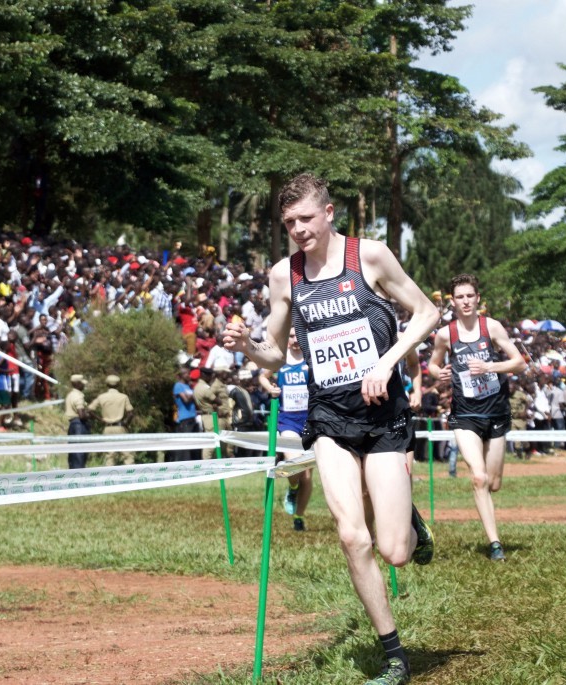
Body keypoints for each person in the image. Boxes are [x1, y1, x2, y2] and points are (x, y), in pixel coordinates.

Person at [223, 173, 438, 685]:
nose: (299, 230)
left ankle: (410, 522)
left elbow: (427, 313)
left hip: (383, 413)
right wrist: (247, 347)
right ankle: (394, 656)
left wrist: (386, 362)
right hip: (329, 417)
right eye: (289, 223)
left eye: (306, 218)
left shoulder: (370, 256)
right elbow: (276, 355)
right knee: (350, 535)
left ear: (329, 212)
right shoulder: (284, 275)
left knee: (395, 552)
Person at [427, 274, 527, 562]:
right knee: (479, 478)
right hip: (465, 414)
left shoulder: (491, 327)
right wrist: (439, 373)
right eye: (460, 297)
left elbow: (519, 363)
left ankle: (491, 521)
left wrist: (489, 367)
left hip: (495, 412)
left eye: (470, 296)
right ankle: (495, 544)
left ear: (478, 298)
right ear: (453, 301)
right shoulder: (446, 334)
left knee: (493, 483)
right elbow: (433, 365)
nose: (466, 301)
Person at [259, 327, 312, 531]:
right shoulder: (280, 359)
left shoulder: (310, 357)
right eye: (291, 336)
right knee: (294, 463)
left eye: (298, 335)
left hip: (310, 420)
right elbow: (263, 377)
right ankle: (293, 487)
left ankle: (299, 516)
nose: (295, 339)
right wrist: (270, 388)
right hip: (288, 420)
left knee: (308, 476)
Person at [89, 375, 134, 466]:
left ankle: (109, 473)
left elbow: (90, 410)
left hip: (107, 428)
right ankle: (130, 473)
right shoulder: (123, 397)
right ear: (118, 385)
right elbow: (131, 413)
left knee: (109, 455)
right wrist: (125, 423)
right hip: (120, 427)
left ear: (107, 384)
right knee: (127, 454)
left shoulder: (101, 397)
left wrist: (100, 419)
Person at [170, 366, 199, 462]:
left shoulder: (188, 387)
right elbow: (186, 400)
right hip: (184, 418)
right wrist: (194, 393)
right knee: (186, 444)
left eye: (189, 373)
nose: (189, 375)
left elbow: (194, 400)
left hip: (192, 417)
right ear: (181, 375)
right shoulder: (178, 386)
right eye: (186, 373)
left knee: (194, 444)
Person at [65, 374, 91, 469]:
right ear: (78, 384)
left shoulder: (70, 395)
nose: (83, 385)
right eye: (82, 383)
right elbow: (81, 415)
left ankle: (74, 473)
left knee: (73, 454)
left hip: (72, 425)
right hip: (79, 425)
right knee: (79, 453)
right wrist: (88, 415)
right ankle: (80, 474)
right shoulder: (78, 396)